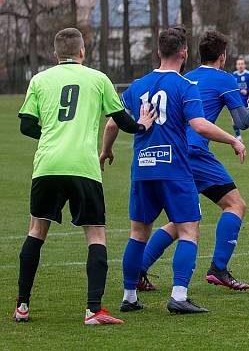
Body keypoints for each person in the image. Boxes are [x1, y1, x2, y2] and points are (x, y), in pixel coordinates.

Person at [100, 27, 246, 314]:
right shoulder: (184, 86)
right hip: (174, 168)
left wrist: (106, 150)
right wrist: (232, 139)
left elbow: (112, 123)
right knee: (189, 230)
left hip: (142, 169)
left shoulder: (138, 85)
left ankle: (129, 297)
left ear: (158, 51)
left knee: (137, 233)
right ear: (184, 53)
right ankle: (179, 296)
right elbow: (199, 125)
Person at [14, 28, 155, 325]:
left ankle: (22, 306)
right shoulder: (98, 78)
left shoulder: (40, 79)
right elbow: (122, 121)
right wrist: (142, 126)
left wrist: (51, 135)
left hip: (48, 165)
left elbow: (26, 126)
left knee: (36, 232)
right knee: (95, 235)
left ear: (55, 55)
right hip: (83, 167)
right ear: (82, 52)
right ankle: (93, 310)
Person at [135, 31, 249, 292]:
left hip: (175, 153)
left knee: (182, 220)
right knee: (235, 205)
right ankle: (218, 268)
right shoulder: (224, 79)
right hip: (196, 152)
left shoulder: (186, 77)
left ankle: (138, 269)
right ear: (223, 56)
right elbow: (242, 122)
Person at [231, 57, 249, 148]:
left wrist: (247, 91)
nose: (240, 66)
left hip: (248, 101)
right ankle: (239, 137)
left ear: (245, 65)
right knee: (233, 120)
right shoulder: (233, 75)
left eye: (242, 64)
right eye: (238, 64)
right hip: (237, 102)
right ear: (236, 66)